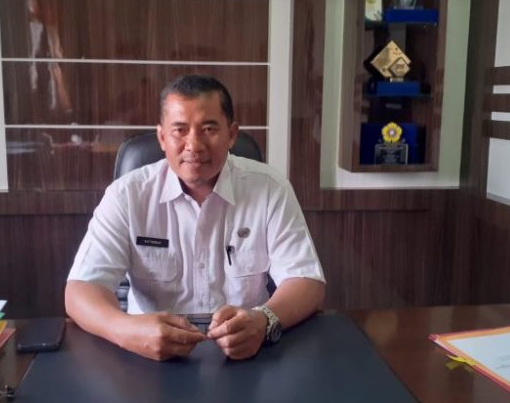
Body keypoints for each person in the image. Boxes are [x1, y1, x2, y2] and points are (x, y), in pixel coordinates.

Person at [65, 75, 326, 361]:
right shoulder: (127, 195)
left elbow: (307, 281)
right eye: (180, 130)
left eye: (209, 129)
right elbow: (81, 289)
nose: (194, 145)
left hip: (247, 352)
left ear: (232, 134)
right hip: (147, 356)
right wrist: (127, 331)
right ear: (162, 138)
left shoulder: (270, 189)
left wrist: (264, 320)